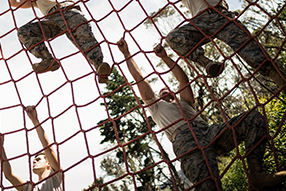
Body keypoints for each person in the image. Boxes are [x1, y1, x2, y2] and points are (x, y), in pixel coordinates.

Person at [116, 38, 286, 190]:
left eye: (167, 89)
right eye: (161, 92)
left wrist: (165, 58)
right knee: (208, 185)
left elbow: (183, 80)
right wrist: (127, 53)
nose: (164, 90)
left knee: (253, 118)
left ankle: (256, 173)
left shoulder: (185, 103)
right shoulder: (156, 107)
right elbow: (139, 79)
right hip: (185, 141)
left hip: (208, 132)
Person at [160, 0, 286, 90]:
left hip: (221, 16)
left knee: (248, 48)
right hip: (200, 22)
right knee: (172, 37)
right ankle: (206, 63)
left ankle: (278, 78)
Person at [5, 0, 111, 83]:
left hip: (69, 11)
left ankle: (100, 67)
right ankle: (47, 59)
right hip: (52, 19)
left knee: (83, 36)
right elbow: (15, 2)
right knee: (24, 31)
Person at [0, 106, 62, 191]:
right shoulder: (31, 188)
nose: (34, 161)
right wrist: (0, 148)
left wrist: (35, 121)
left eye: (38, 159)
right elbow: (9, 175)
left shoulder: (56, 177)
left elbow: (48, 148)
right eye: (34, 160)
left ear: (48, 164)